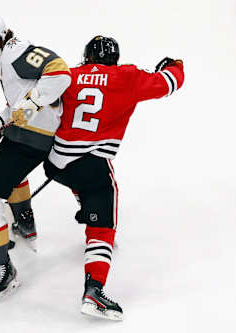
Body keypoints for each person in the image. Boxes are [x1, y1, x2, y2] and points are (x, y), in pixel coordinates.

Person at [43, 35, 185, 320]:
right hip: (91, 165)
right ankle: (94, 292)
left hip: (55, 163)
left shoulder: (69, 75)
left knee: (81, 183)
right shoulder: (126, 76)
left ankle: (87, 208)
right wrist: (175, 66)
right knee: (103, 226)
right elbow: (169, 83)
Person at [0, 16, 71, 303]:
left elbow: (60, 72)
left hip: (31, 138)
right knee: (11, 178)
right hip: (22, 133)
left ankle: (4, 269)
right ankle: (25, 220)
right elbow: (19, 102)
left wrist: (32, 103)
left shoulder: (15, 53)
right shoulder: (7, 53)